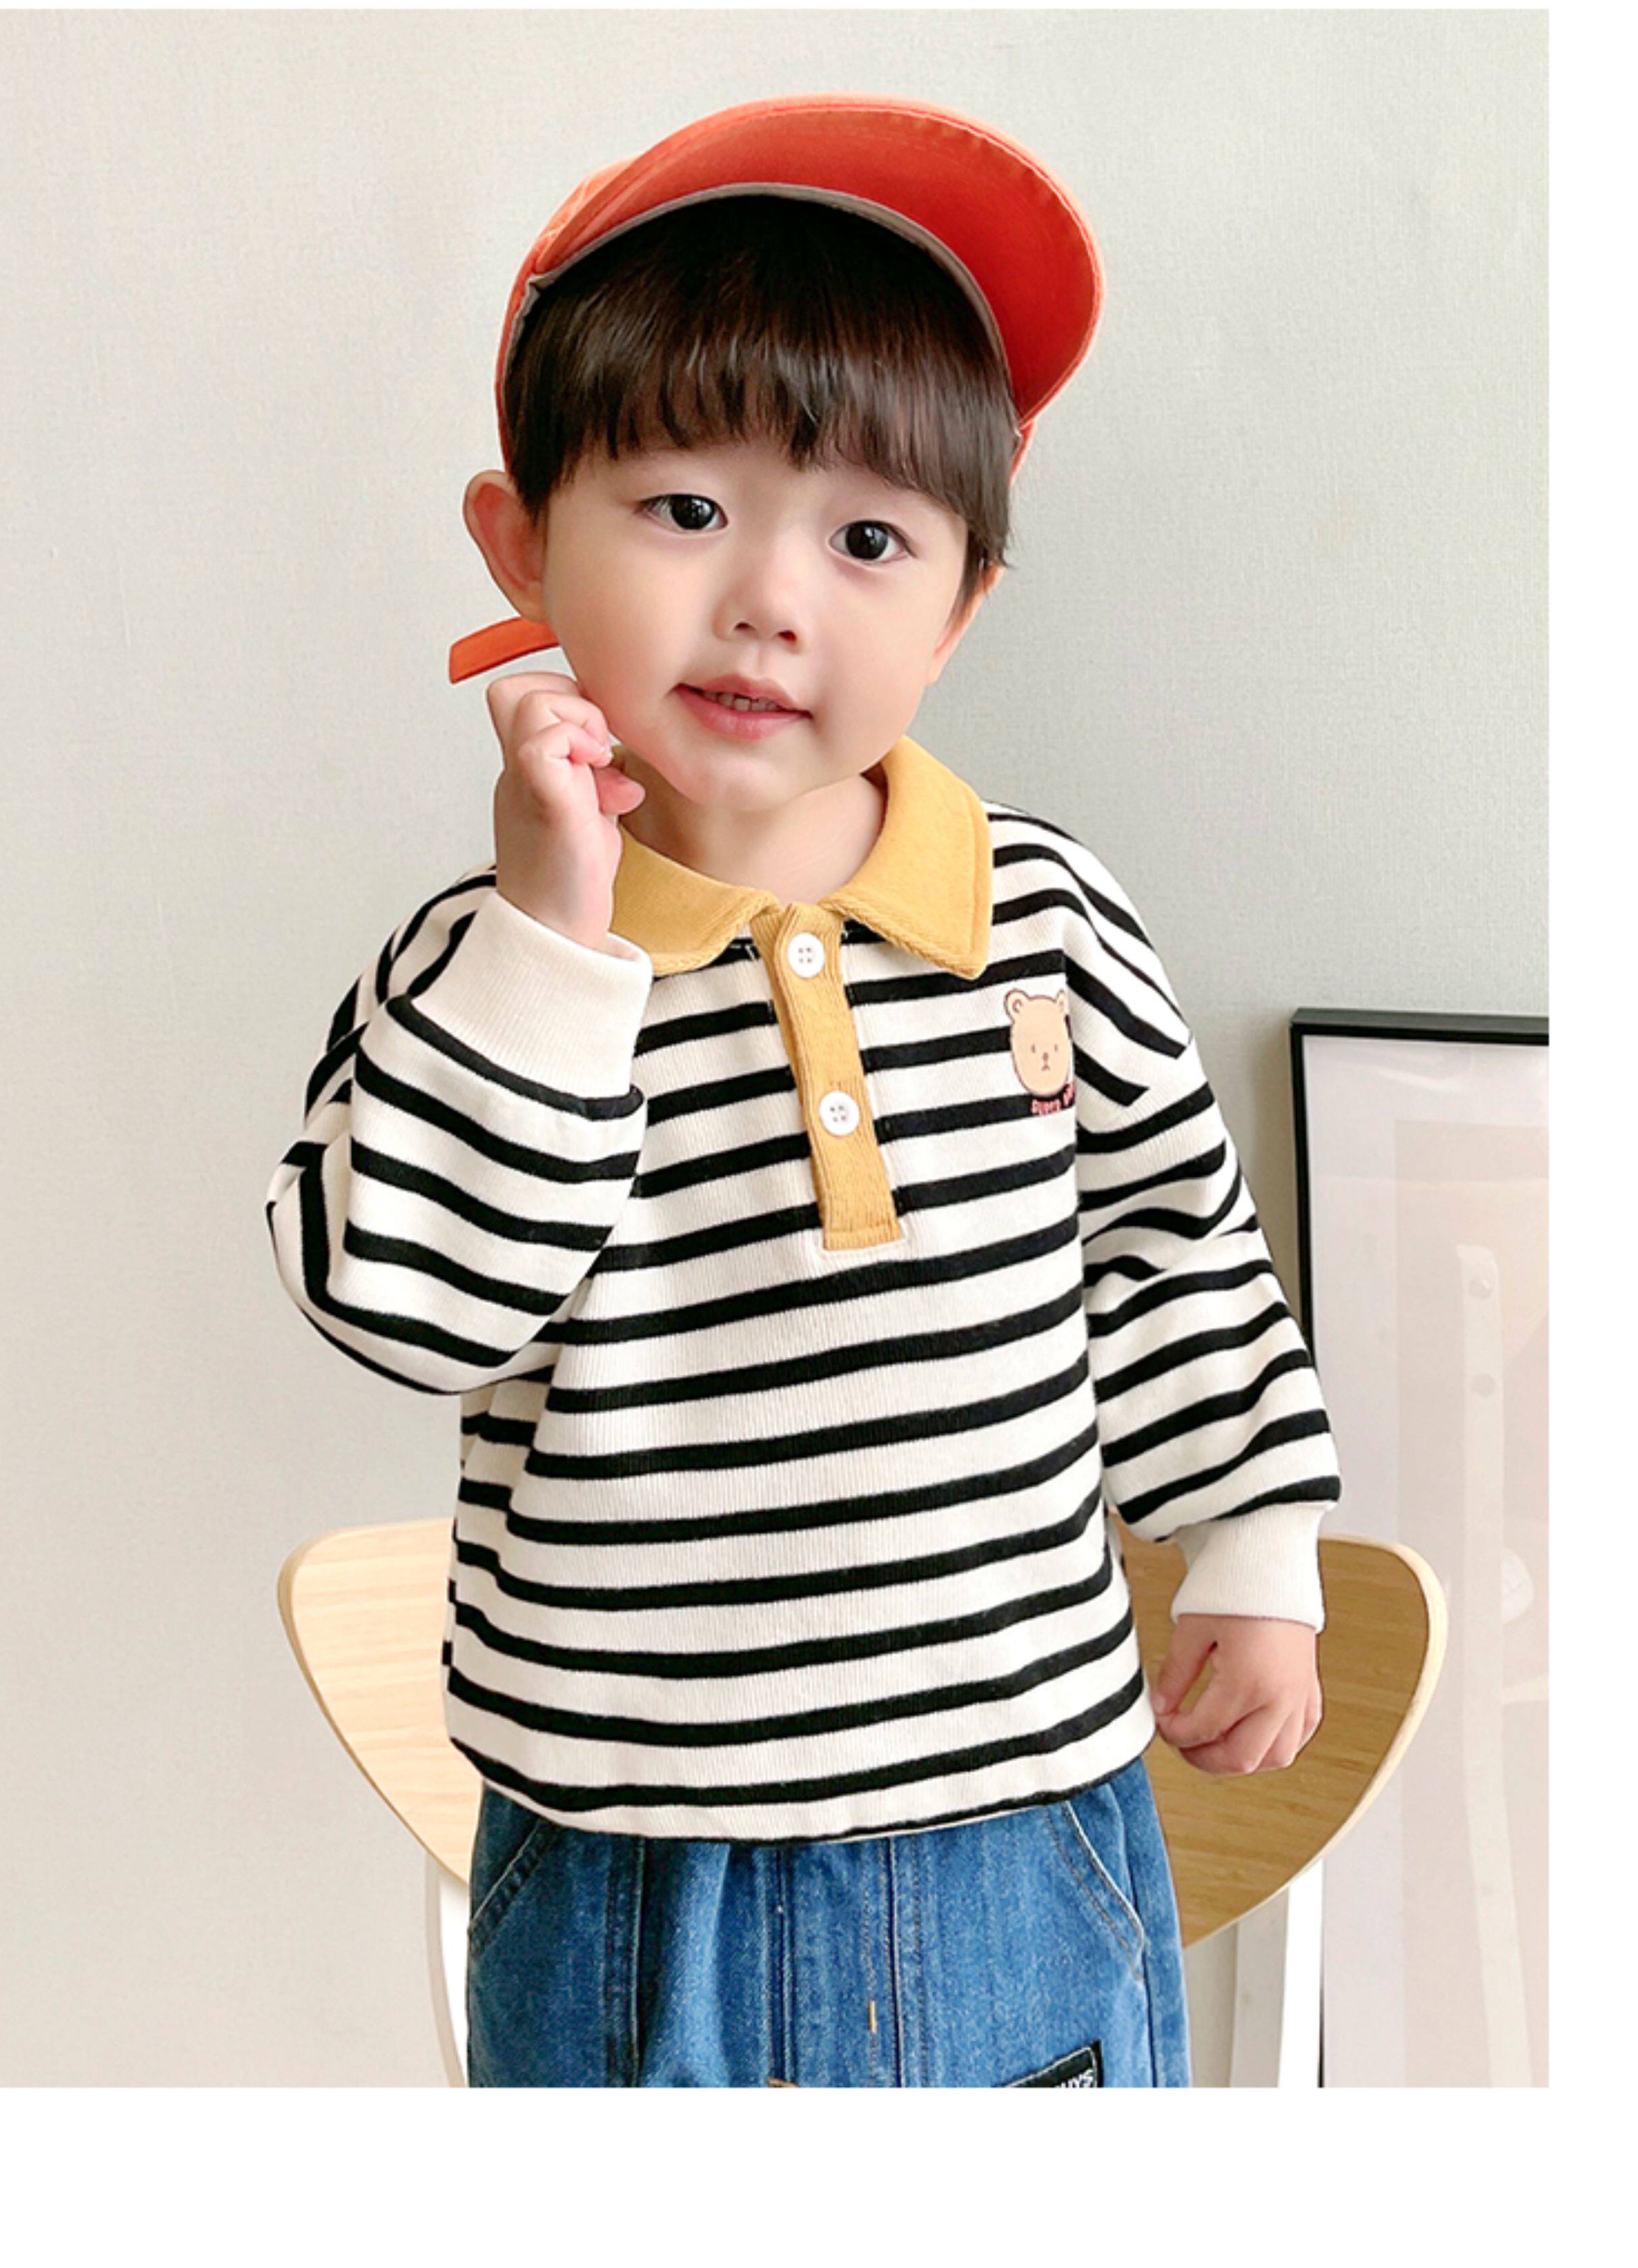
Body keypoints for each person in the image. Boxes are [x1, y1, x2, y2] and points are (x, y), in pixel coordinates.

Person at [265, 94, 1340, 2088]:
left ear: (960, 606)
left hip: (1019, 1815)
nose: (770, 595)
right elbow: (410, 1311)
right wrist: (556, 941)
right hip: (623, 1856)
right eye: (685, 509)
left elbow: (1173, 1247)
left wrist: (1253, 1536)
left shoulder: (1047, 917)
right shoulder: (483, 970)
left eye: (867, 540)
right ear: (520, 542)